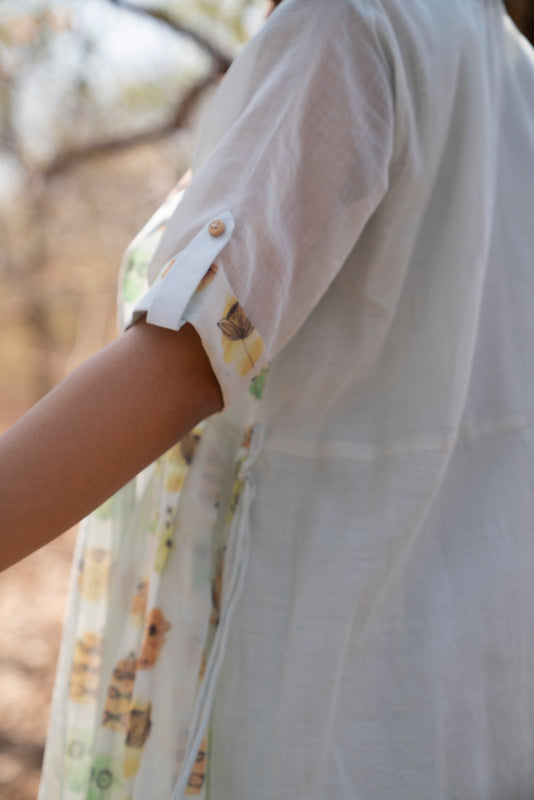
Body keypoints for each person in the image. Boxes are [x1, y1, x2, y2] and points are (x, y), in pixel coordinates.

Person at [1, 0, 534, 797]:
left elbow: (181, 365)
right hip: (470, 719)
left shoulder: (353, 26)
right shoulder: (511, 73)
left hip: (320, 724)